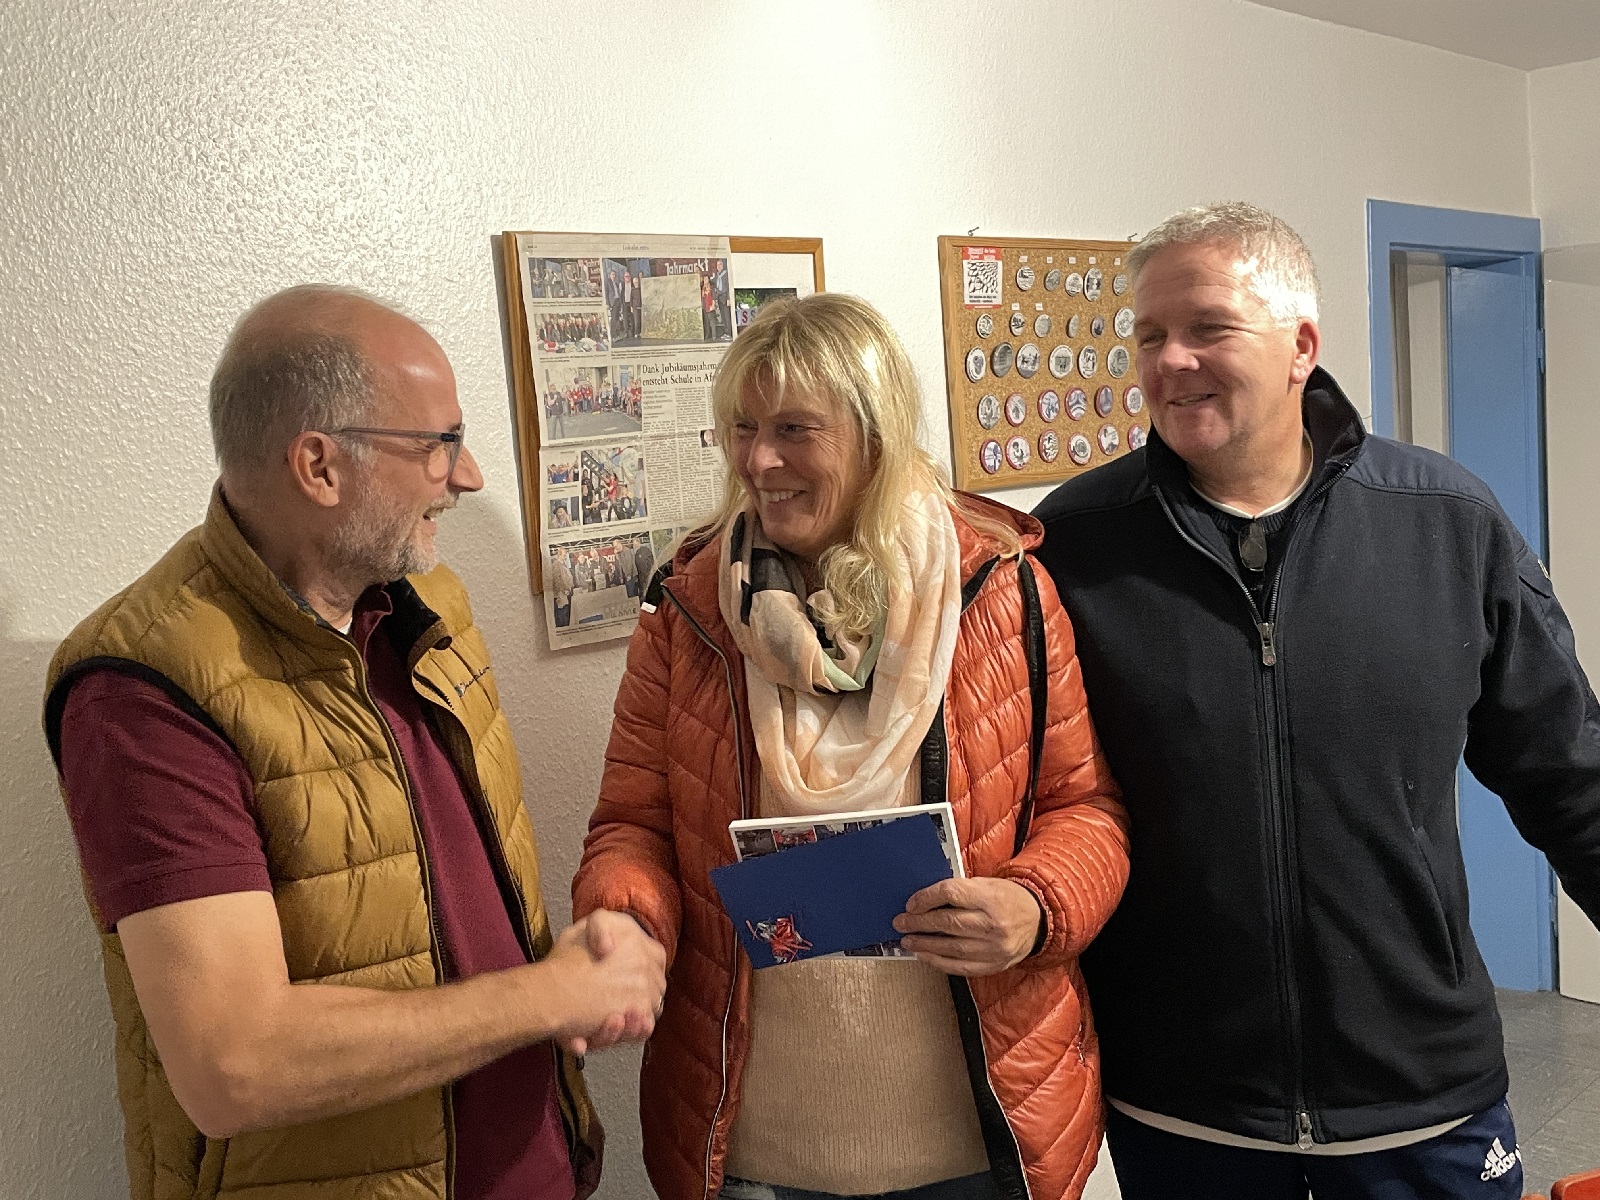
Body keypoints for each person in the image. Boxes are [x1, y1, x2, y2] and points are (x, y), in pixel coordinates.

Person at [42, 285, 665, 1200]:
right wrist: (549, 996)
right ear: (320, 466)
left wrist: (586, 954)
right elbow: (233, 1064)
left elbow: (458, 904)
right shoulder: (143, 687)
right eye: (438, 445)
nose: (469, 476)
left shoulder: (428, 604)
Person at [1032, 202, 1600, 1199]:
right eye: (1149, 335)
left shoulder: (1443, 522)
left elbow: (1569, 772)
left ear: (1300, 346)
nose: (1169, 360)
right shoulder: (1075, 543)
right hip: (1184, 1097)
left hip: (1422, 1092)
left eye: (1207, 328)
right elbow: (1036, 788)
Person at [573, 293, 1130, 1200]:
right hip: (757, 1145)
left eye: (794, 428)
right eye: (742, 428)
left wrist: (1036, 906)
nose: (758, 460)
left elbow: (1087, 809)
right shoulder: (690, 607)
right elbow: (632, 823)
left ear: (873, 434)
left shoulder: (1002, 591)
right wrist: (623, 916)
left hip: (976, 1145)